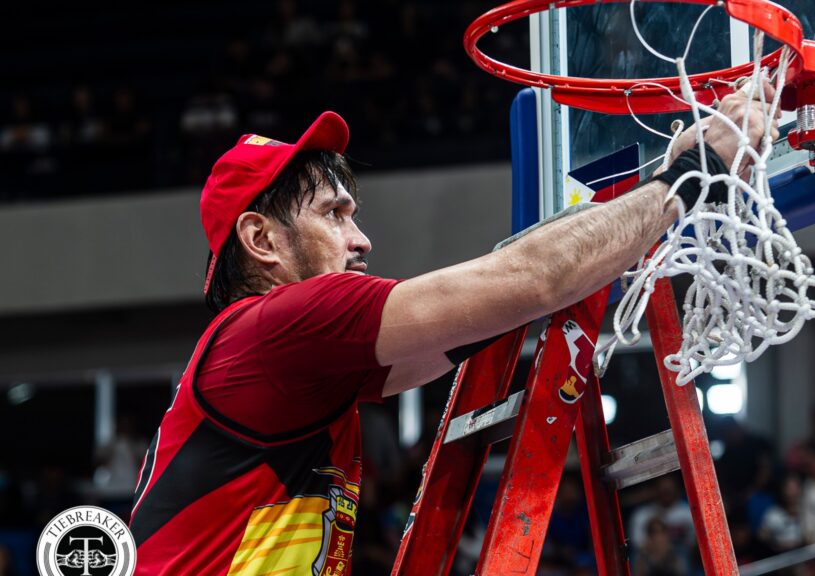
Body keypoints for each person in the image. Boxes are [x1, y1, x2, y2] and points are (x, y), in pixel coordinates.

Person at [128, 84, 779, 574]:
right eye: (334, 214)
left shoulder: (287, 362)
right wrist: (690, 177)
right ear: (262, 239)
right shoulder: (278, 326)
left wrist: (624, 215)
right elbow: (533, 281)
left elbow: (480, 318)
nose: (361, 239)